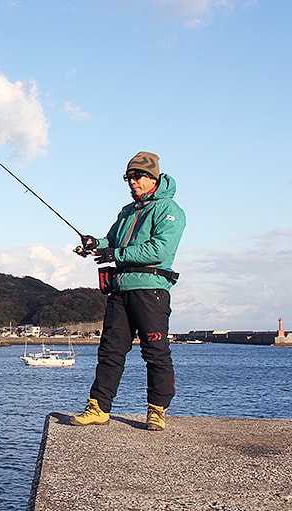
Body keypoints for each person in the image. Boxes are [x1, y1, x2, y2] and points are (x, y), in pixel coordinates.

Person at [71, 151, 186, 431]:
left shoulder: (170, 211)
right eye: (129, 177)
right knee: (110, 351)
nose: (132, 181)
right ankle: (98, 407)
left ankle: (157, 410)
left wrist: (115, 253)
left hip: (151, 291)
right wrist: (93, 242)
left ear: (153, 177)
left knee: (156, 352)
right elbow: (110, 240)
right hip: (120, 291)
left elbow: (160, 249)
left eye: (137, 176)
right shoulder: (127, 211)